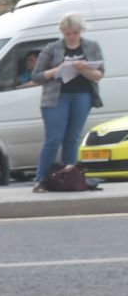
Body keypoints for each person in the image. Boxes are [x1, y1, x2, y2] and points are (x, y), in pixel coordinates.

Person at [33, 14, 107, 187]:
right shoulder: (52, 48)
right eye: (68, 33)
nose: (72, 36)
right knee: (53, 138)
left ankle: (69, 178)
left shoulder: (92, 46)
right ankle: (41, 178)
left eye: (75, 33)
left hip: (82, 95)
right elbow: (36, 76)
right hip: (56, 97)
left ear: (80, 31)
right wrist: (58, 69)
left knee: (72, 138)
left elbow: (99, 75)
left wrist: (82, 69)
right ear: (62, 32)